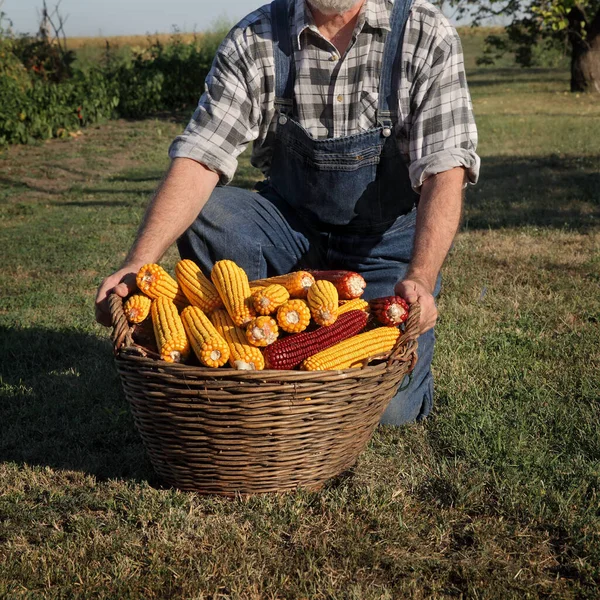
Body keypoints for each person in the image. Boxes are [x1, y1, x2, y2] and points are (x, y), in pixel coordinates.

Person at [95, 0, 480, 425]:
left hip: (384, 245)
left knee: (386, 411)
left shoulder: (423, 32)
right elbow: (200, 156)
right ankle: (250, 340)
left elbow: (445, 170)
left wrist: (421, 276)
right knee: (212, 210)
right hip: (290, 230)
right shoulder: (255, 37)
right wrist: (138, 262)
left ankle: (373, 368)